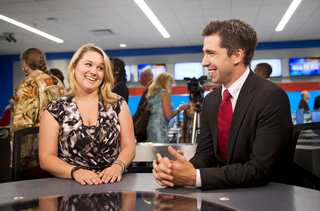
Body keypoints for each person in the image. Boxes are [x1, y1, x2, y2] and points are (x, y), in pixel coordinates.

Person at [152, 19, 296, 190]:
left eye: (211, 53)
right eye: (204, 53)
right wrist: (178, 170)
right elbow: (207, 155)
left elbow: (260, 169)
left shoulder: (271, 97)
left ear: (237, 55)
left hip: (266, 198)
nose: (204, 62)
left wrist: (195, 177)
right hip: (227, 195)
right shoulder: (211, 100)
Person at [39, 44, 135, 186]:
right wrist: (76, 172)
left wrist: (118, 166)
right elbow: (46, 158)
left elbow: (129, 146)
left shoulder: (118, 104)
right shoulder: (55, 109)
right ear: (74, 67)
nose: (94, 72)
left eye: (100, 68)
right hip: (69, 188)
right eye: (88, 64)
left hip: (111, 185)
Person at [10, 48, 66, 166]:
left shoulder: (28, 83)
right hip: (60, 150)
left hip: (37, 154)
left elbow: (23, 123)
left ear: (25, 63)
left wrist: (21, 160)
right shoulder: (57, 82)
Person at [146, 72, 188, 143]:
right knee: (162, 152)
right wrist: (180, 108)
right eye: (170, 83)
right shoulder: (164, 92)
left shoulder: (152, 94)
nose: (171, 86)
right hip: (159, 128)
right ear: (165, 82)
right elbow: (168, 116)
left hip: (151, 127)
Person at [134, 67, 153, 142]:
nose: (139, 79)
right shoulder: (152, 87)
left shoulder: (150, 88)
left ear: (144, 75)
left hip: (144, 127)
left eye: (140, 77)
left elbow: (143, 109)